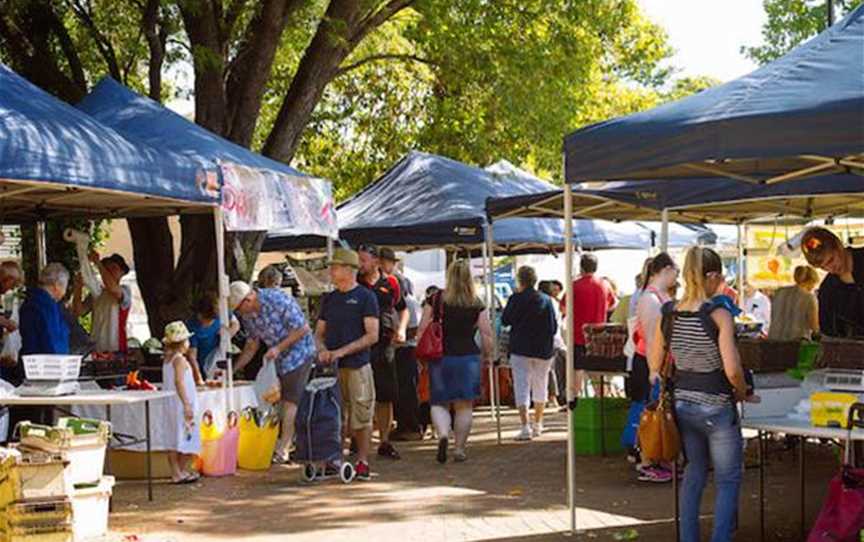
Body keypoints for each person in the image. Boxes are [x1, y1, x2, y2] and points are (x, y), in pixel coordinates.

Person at [648, 247, 757, 542]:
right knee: (728, 478)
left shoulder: (668, 312)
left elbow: (655, 362)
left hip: (683, 403)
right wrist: (743, 392)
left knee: (694, 472)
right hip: (718, 407)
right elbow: (732, 369)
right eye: (719, 277)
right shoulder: (719, 314)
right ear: (711, 276)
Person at [231, 280, 316, 465]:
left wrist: (278, 348)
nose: (240, 313)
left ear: (249, 299)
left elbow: (303, 328)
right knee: (273, 400)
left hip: (299, 354)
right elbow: (252, 345)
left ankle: (284, 447)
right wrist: (233, 370)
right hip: (276, 359)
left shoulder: (277, 299)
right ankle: (276, 441)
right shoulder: (248, 316)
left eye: (239, 308)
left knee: (289, 401)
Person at [417, 260, 493, 463]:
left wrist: (420, 352)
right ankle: (459, 448)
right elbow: (486, 333)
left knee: (439, 402)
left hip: (440, 357)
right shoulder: (476, 301)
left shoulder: (435, 298)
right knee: (464, 406)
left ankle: (442, 434)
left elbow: (423, 328)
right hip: (468, 358)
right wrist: (488, 357)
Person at [315, 248, 379, 481]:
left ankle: (362, 460)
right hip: (332, 368)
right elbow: (319, 332)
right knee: (333, 415)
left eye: (336, 266)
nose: (332, 270)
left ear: (349, 270)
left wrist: (341, 351)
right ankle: (335, 458)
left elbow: (372, 335)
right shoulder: (329, 299)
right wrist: (322, 349)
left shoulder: (366, 297)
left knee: (361, 414)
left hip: (358, 365)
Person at [357, 245, 408, 460]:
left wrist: (402, 329)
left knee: (385, 395)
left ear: (376, 261)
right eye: (358, 260)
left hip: (385, 344)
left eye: (363, 260)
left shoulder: (392, 283)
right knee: (359, 395)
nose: (360, 265)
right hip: (360, 344)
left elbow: (402, 308)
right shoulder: (354, 283)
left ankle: (385, 441)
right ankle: (356, 440)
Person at [631, 252, 678, 483]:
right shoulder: (649, 299)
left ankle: (659, 458)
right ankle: (648, 460)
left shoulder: (659, 295)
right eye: (675, 271)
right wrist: (654, 370)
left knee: (660, 416)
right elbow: (651, 338)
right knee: (652, 417)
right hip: (652, 364)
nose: (677, 276)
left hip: (661, 364)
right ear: (666, 270)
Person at [503, 267, 558, 441]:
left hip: (521, 347)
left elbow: (505, 320)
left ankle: (525, 425)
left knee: (522, 385)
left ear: (520, 280)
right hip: (543, 349)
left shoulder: (515, 299)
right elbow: (553, 327)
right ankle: (538, 423)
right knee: (540, 384)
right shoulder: (546, 300)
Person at [801, 227, 864, 337]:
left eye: (831, 260)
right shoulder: (827, 290)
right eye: (822, 267)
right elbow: (828, 332)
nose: (830, 269)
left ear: (838, 245)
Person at [568, 254, 616, 397]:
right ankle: (601, 403)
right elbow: (613, 304)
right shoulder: (604, 285)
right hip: (598, 336)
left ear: (581, 267)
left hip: (577, 335)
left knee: (577, 370)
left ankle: (575, 403)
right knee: (598, 373)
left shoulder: (574, 286)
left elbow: (564, 308)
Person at [161, 321, 201, 484]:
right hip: (180, 403)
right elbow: (179, 381)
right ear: (183, 342)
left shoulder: (167, 360)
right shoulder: (180, 360)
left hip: (171, 403)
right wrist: (186, 403)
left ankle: (178, 471)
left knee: (174, 436)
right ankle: (179, 471)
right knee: (187, 436)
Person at [72, 252, 131, 353]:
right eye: (107, 268)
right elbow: (79, 311)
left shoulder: (125, 290)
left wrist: (98, 263)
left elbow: (112, 288)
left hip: (116, 348)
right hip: (96, 347)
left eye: (114, 268)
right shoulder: (97, 292)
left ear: (122, 272)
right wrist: (78, 287)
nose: (109, 271)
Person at [187, 293, 240, 385]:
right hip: (203, 367)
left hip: (220, 363)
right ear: (200, 313)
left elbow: (235, 324)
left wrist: (227, 335)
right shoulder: (192, 326)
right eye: (207, 320)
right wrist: (198, 377)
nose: (210, 322)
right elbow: (192, 356)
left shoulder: (221, 312)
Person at [769, 265, 820, 341]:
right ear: (811, 281)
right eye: (814, 284)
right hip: (796, 343)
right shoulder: (809, 297)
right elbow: (814, 325)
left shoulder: (779, 292)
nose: (813, 287)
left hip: (774, 340)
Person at [538, 281, 565, 407]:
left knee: (550, 370)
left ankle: (552, 397)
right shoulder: (555, 302)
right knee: (552, 370)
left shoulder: (546, 302)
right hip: (556, 340)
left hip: (550, 341)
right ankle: (554, 397)